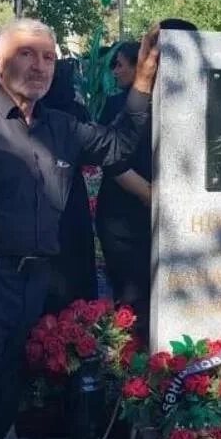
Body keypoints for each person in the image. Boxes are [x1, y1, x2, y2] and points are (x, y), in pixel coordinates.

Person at [0, 17, 159, 439]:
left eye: (48, 57)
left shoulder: (64, 127)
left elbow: (119, 146)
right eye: (27, 54)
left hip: (33, 283)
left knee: (6, 399)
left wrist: (142, 82)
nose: (39, 66)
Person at [96, 42, 152, 338]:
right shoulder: (116, 105)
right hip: (123, 217)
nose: (115, 71)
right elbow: (111, 159)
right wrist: (148, 194)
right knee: (131, 303)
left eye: (120, 64)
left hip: (159, 220)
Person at [38, 59, 98, 311]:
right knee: (75, 249)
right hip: (73, 190)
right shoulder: (76, 112)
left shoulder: (40, 110)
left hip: (44, 189)